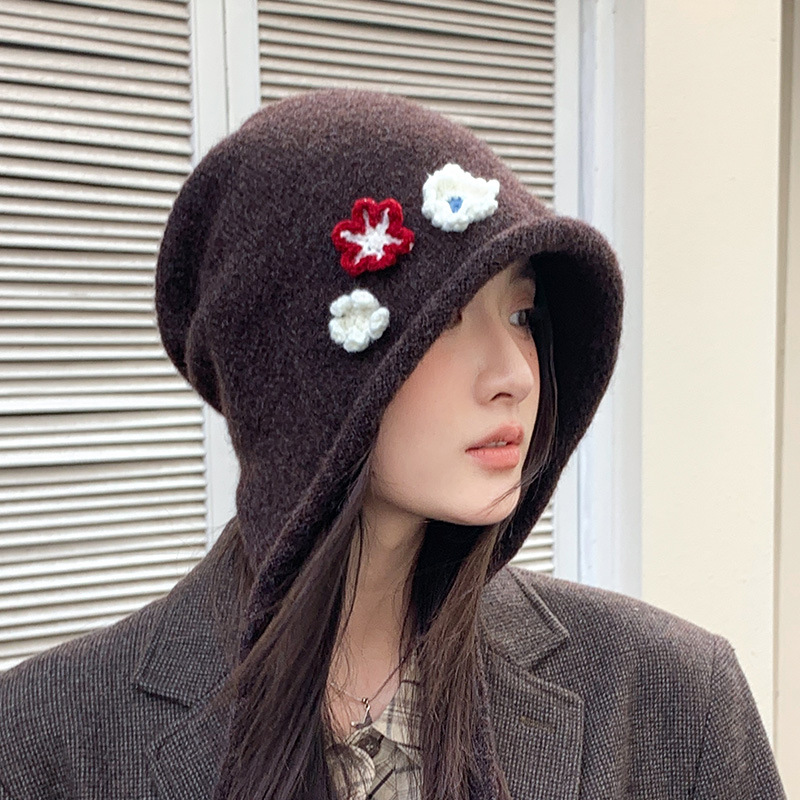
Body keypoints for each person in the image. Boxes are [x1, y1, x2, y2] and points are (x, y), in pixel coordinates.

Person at [0, 89, 786, 800]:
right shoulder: (46, 741)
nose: (516, 374)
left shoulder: (671, 699)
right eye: (443, 318)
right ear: (296, 376)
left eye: (522, 315)